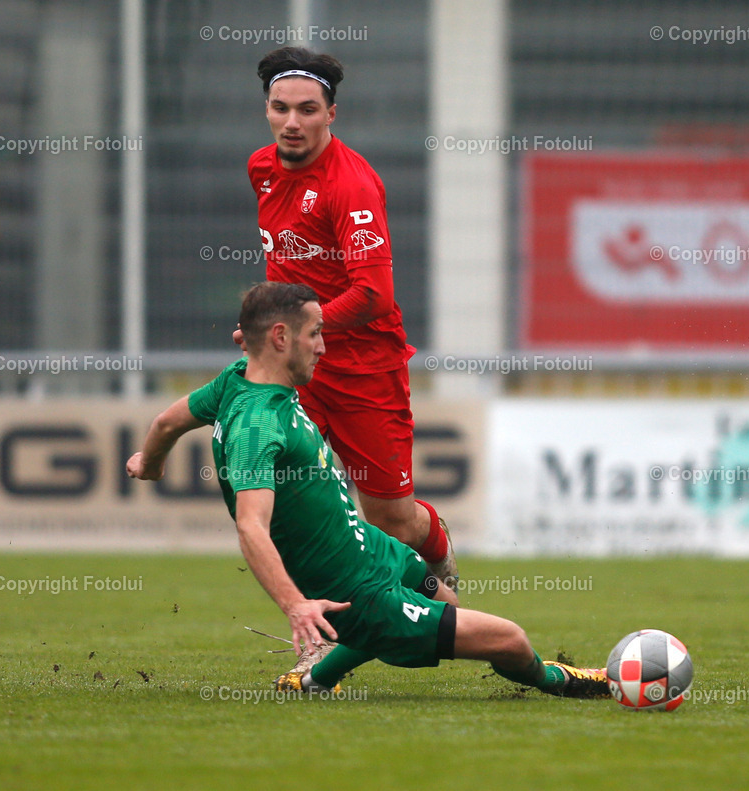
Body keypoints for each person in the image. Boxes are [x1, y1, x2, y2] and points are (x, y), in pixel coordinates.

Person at [127, 283, 607, 698]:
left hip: (375, 550)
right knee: (510, 640)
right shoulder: (257, 424)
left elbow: (168, 420)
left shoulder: (235, 381)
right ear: (280, 338)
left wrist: (149, 462)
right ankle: (564, 681)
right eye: (315, 334)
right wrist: (295, 605)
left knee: (450, 607)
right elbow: (252, 526)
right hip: (357, 593)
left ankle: (315, 679)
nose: (322, 347)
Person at [239, 46, 457, 602]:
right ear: (266, 108)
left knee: (390, 518)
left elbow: (374, 295)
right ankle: (318, 631)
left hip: (364, 365)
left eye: (307, 109)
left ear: (331, 113)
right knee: (294, 509)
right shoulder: (261, 168)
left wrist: (298, 331)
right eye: (280, 107)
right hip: (297, 369)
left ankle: (436, 554)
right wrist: (276, 338)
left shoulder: (351, 185)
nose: (292, 122)